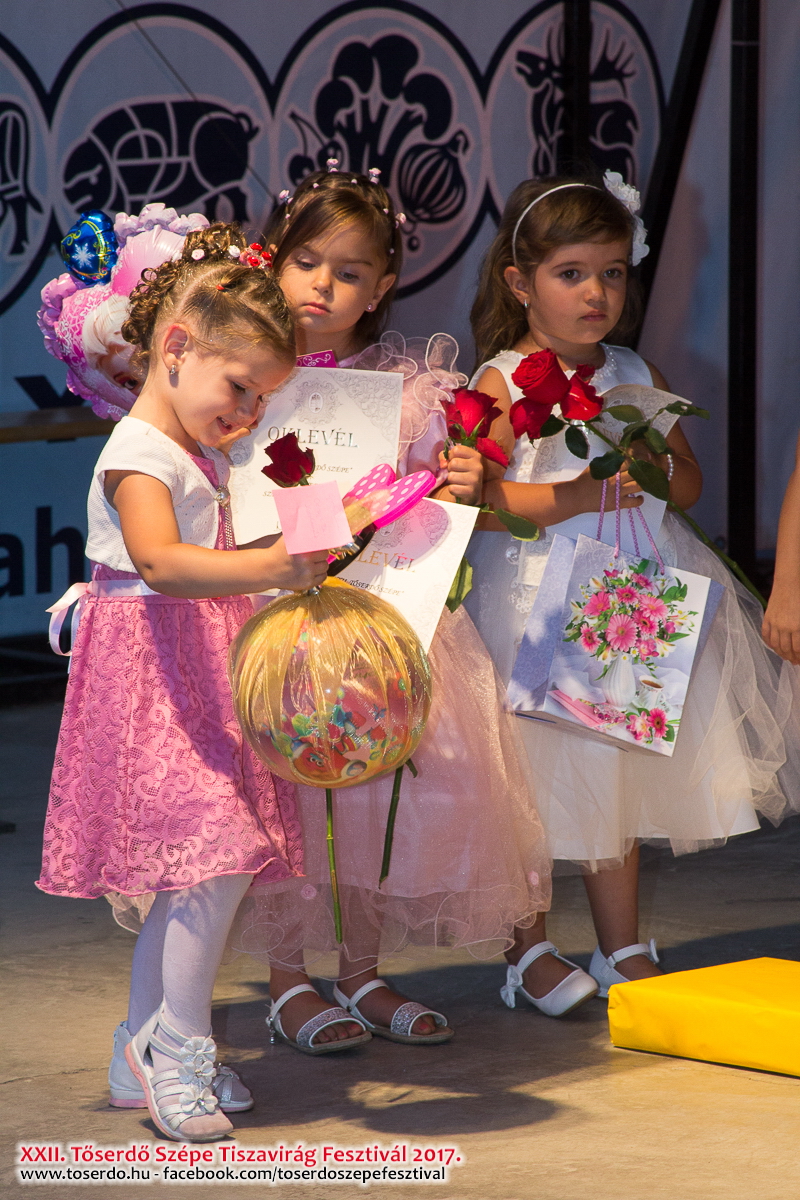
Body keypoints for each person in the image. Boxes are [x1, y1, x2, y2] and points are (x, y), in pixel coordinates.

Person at [228, 164, 559, 1050]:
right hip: (277, 618)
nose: (323, 286)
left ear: (380, 288)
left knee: (377, 792)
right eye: (307, 263)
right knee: (292, 798)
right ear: (273, 262)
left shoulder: (408, 389)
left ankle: (360, 972)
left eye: (349, 272)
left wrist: (458, 478)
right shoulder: (243, 378)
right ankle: (288, 981)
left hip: (377, 622)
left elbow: (432, 499)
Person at [464, 172, 798, 1005]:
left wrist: (651, 460)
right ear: (520, 282)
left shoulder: (632, 368)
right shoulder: (503, 381)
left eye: (612, 273)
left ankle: (621, 948)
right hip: (532, 598)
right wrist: (575, 496)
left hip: (623, 597)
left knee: (614, 769)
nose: (597, 293)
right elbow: (482, 502)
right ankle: (526, 951)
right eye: (572, 273)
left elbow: (686, 483)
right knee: (528, 783)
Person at [36, 222, 336, 1143]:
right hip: (152, 686)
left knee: (195, 874)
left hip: (201, 677)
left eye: (262, 397)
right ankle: (178, 1051)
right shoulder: (137, 452)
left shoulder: (201, 454)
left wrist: (317, 532)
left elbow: (218, 558)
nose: (247, 411)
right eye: (238, 386)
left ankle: (141, 1049)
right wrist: (273, 566)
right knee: (214, 861)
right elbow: (162, 564)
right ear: (176, 347)